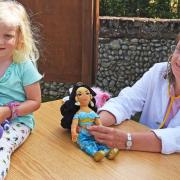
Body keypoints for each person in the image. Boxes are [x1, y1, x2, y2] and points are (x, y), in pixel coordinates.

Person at [89, 34, 180, 155]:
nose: (179, 60)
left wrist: (127, 140)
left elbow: (176, 137)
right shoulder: (159, 71)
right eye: (179, 49)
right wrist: (94, 124)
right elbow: (127, 100)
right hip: (140, 158)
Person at [0, 1, 42, 179]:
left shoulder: (24, 66)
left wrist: (8, 111)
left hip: (18, 121)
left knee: (2, 147)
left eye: (7, 36)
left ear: (19, 39)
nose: (0, 41)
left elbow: (35, 101)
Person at [60, 82, 119, 162]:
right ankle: (95, 153)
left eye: (87, 93)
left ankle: (108, 151)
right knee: (86, 144)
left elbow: (98, 122)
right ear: (76, 99)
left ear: (91, 96)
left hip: (93, 132)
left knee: (100, 142)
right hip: (82, 134)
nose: (84, 96)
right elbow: (74, 125)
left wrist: (100, 129)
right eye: (80, 94)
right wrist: (74, 132)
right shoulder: (78, 114)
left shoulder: (92, 113)